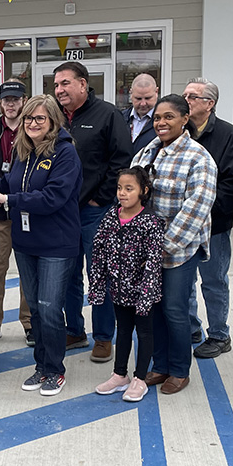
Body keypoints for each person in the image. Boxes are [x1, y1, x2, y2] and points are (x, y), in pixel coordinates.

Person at [0, 94, 82, 397]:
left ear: (53, 120)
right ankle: (41, 366)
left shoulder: (65, 153)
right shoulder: (22, 152)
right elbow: (13, 184)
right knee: (36, 309)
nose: (33, 123)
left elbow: (53, 197)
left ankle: (55, 370)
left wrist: (8, 200)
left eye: (40, 118)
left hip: (56, 243)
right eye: (28, 118)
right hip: (26, 242)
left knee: (51, 307)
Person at [133, 94, 217, 395]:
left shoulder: (199, 158)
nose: (161, 122)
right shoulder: (146, 153)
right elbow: (132, 194)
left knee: (174, 309)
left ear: (185, 119)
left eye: (168, 117)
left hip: (178, 250)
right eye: (157, 118)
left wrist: (162, 245)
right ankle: (160, 364)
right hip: (146, 247)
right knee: (152, 308)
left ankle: (180, 370)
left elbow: (197, 206)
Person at [54, 61, 133, 361]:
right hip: (62, 213)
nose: (59, 89)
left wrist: (100, 199)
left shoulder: (108, 115)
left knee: (99, 275)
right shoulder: (55, 117)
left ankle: (103, 337)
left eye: (66, 83)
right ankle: (74, 330)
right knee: (68, 275)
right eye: (57, 84)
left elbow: (122, 161)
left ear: (83, 84)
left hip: (94, 212)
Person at [182, 78, 233, 359]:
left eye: (193, 96)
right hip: (181, 224)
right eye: (185, 95)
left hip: (212, 225)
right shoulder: (179, 132)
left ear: (210, 104)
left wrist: (202, 211)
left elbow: (231, 185)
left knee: (214, 280)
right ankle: (192, 328)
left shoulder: (227, 135)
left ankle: (219, 334)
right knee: (184, 281)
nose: (187, 100)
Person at [90, 167, 164, 403]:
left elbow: (154, 260)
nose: (122, 193)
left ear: (144, 191)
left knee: (144, 332)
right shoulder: (111, 216)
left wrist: (146, 294)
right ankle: (119, 374)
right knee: (122, 330)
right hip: (118, 290)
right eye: (120, 188)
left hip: (142, 292)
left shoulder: (150, 222)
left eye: (129, 189)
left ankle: (140, 378)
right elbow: (99, 250)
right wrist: (98, 285)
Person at [0, 79, 33, 345]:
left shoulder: (33, 129)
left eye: (15, 99)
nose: (11, 104)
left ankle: (30, 323)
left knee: (27, 271)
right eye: (6, 100)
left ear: (24, 100)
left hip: (25, 213)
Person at [123, 73, 159, 154]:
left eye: (148, 98)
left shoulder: (164, 122)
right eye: (138, 98)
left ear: (156, 92)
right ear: (130, 93)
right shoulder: (119, 119)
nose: (143, 103)